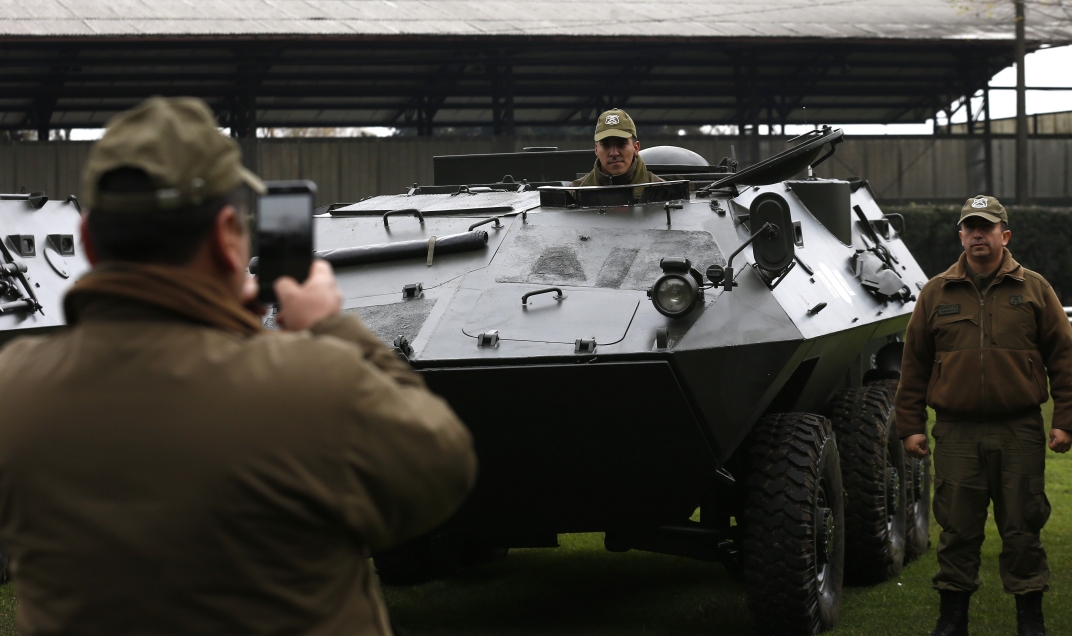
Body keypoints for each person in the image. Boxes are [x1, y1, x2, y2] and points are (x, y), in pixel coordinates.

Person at [0, 97, 476, 635]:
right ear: (229, 237)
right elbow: (441, 468)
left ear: (86, 239)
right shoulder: (312, 383)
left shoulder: (14, 390)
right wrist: (329, 326)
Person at [895, 195, 1072, 636]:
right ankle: (952, 619)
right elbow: (914, 365)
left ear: (1005, 235)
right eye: (970, 227)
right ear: (961, 235)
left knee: (1022, 527)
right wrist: (910, 426)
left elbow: (1063, 356)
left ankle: (1030, 618)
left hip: (1020, 429)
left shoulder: (1034, 289)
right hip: (957, 432)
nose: (978, 234)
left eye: (987, 227)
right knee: (957, 528)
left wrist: (1065, 420)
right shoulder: (936, 292)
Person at [571, 108, 664, 187]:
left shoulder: (660, 190)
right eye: (606, 145)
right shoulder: (576, 192)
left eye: (621, 144)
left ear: (636, 148)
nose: (614, 153)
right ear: (596, 149)